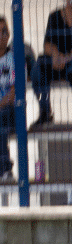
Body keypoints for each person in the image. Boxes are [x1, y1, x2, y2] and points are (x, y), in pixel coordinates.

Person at [0, 17, 18, 182]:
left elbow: (14, 93)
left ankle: (5, 169)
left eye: (4, 31)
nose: (1, 35)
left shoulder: (15, 60)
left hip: (11, 113)